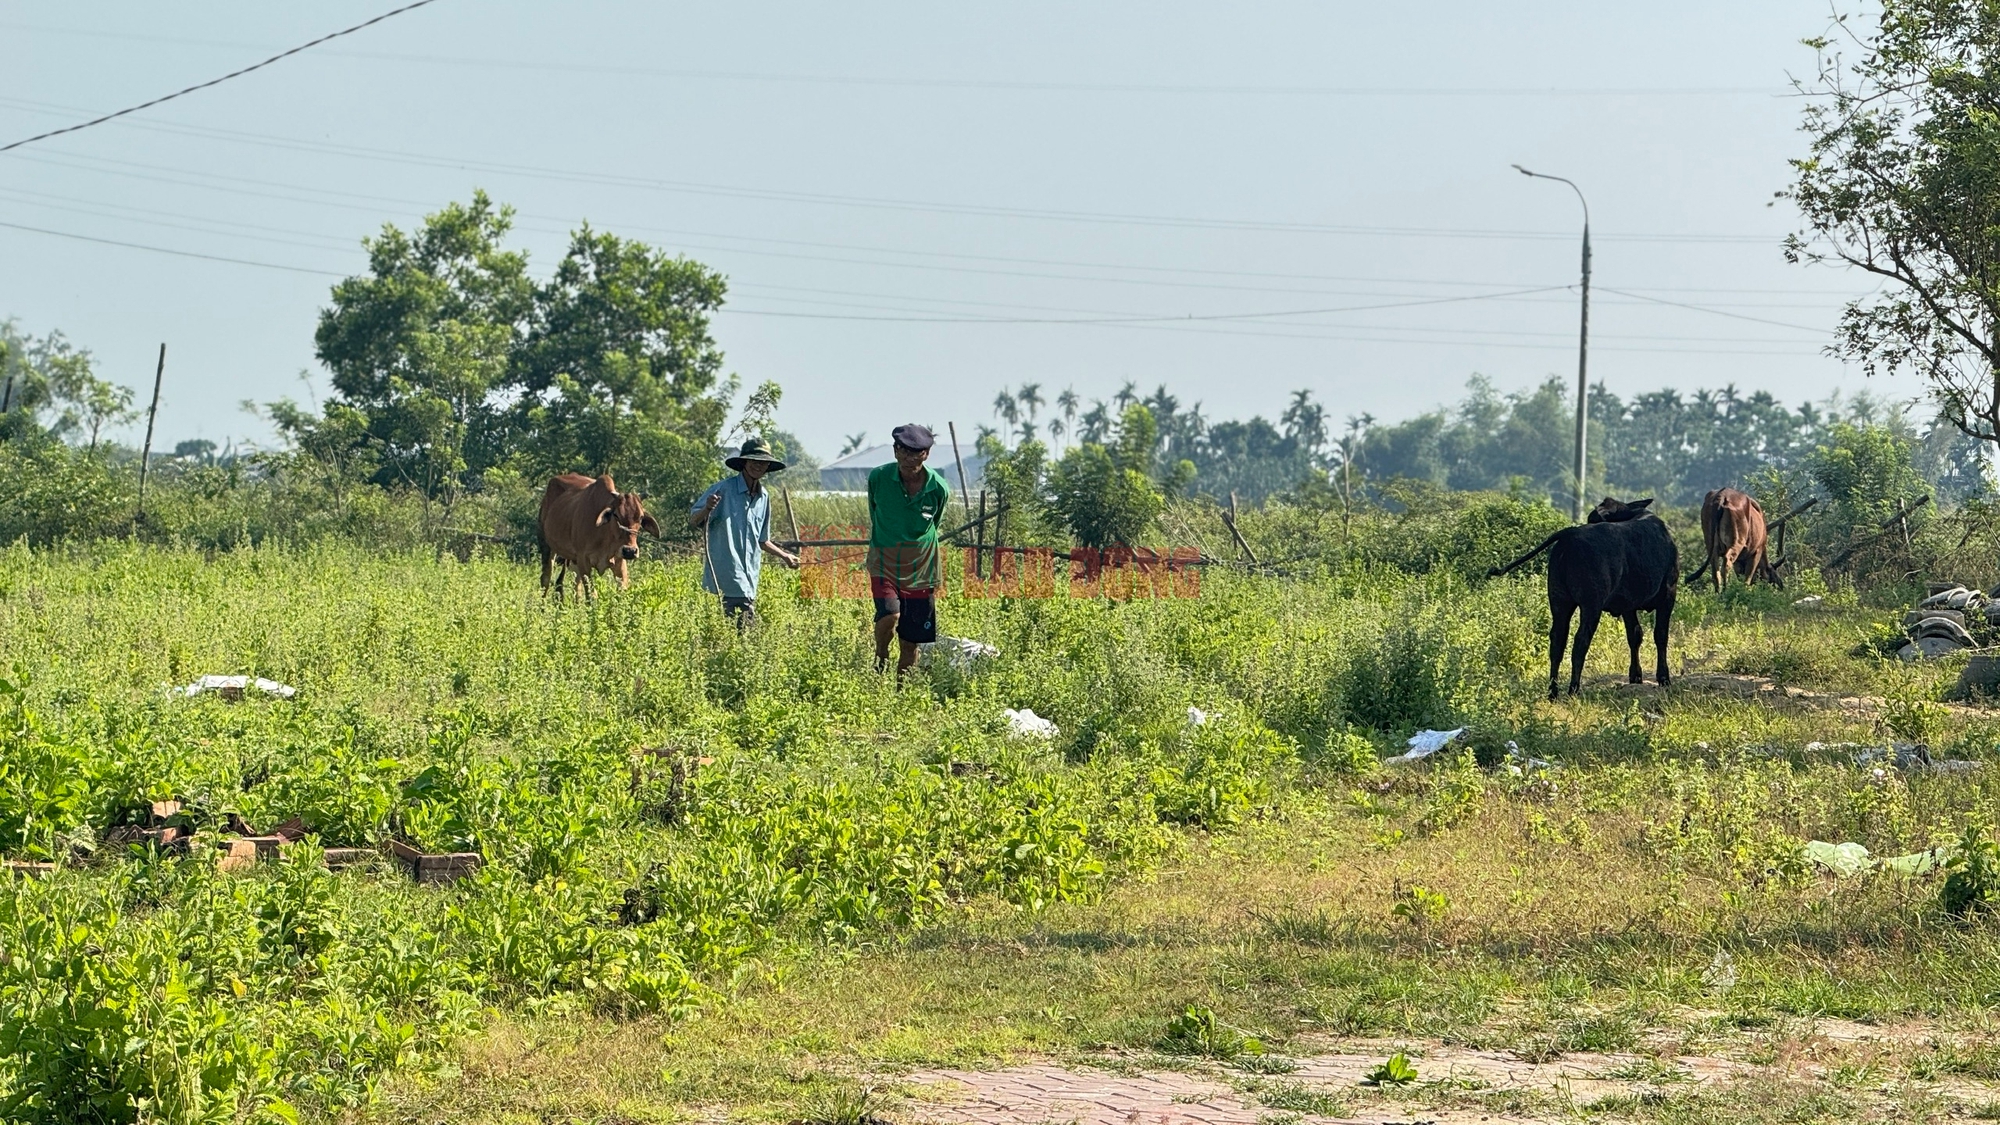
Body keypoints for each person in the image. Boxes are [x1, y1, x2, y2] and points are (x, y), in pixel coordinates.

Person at [866, 423, 952, 676]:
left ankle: (902, 691)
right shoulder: (879, 478)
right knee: (890, 615)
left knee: (910, 641)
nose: (909, 458)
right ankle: (881, 657)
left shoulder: (938, 488)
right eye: (904, 451)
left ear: (926, 455)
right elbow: (874, 513)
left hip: (921, 570)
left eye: (916, 453)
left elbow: (934, 524)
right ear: (895, 451)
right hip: (884, 563)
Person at [689, 438, 799, 626]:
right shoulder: (723, 489)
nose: (758, 466)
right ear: (744, 463)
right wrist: (707, 508)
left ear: (768, 467)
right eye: (754, 461)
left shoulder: (764, 497)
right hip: (724, 576)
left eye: (763, 462)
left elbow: (763, 540)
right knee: (740, 630)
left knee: (737, 633)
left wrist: (785, 556)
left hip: (749, 581)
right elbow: (693, 520)